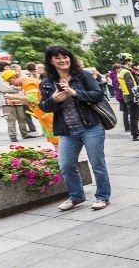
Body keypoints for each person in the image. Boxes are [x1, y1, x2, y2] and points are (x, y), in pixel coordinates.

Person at [39, 45, 110, 210]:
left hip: (91, 126)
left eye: (65, 57)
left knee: (97, 163)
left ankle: (102, 197)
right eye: (57, 58)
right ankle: (76, 197)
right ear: (51, 61)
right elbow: (44, 106)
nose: (62, 60)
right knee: (66, 164)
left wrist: (75, 92)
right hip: (67, 130)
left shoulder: (82, 76)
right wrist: (54, 100)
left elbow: (98, 94)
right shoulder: (47, 82)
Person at [0, 70, 32, 142]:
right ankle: (13, 135)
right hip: (6, 102)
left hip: (18, 101)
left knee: (22, 118)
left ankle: (25, 133)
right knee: (11, 119)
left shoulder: (13, 75)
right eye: (6, 67)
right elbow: (5, 89)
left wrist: (16, 88)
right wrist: (16, 88)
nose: (7, 68)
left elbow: (19, 88)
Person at [117, 53, 139, 141]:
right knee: (134, 117)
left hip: (126, 96)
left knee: (133, 116)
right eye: (130, 60)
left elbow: (119, 85)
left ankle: (136, 134)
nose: (131, 62)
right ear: (127, 61)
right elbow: (131, 87)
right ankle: (136, 135)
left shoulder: (120, 71)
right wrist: (137, 97)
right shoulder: (126, 72)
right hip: (131, 97)